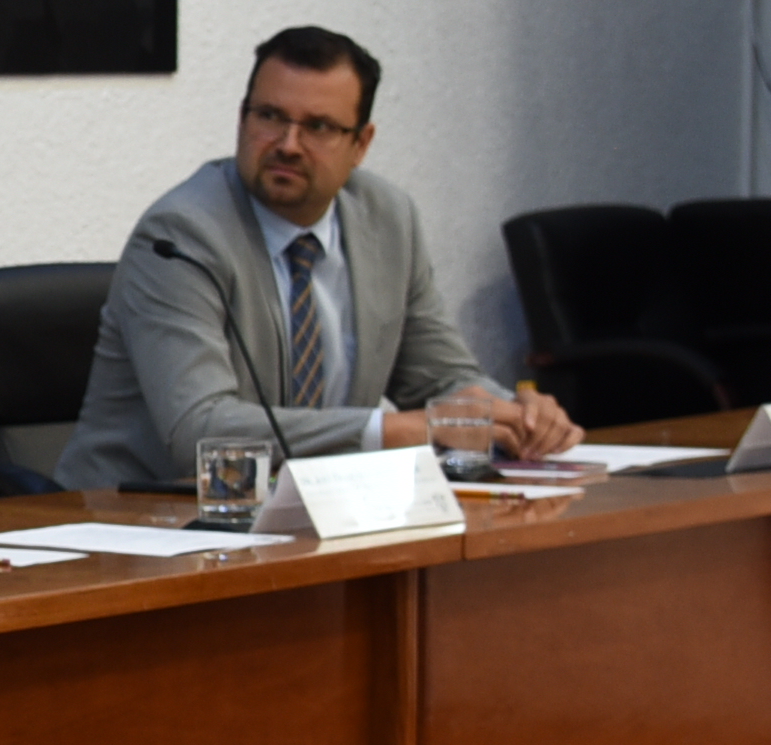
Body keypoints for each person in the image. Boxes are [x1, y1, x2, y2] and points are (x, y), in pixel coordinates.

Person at [56, 26, 578, 489]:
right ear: (241, 119)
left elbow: (439, 378)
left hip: (305, 513)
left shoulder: (387, 220)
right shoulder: (181, 236)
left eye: (319, 127)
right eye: (269, 117)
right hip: (135, 520)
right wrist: (389, 429)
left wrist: (512, 413)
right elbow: (201, 430)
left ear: (361, 144)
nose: (287, 144)